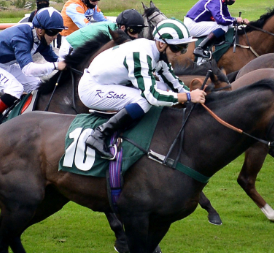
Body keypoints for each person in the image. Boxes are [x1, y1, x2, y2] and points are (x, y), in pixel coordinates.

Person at [80, 19, 205, 159]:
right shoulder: (142, 54)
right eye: (176, 48)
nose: (179, 53)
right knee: (144, 100)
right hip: (92, 88)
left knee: (163, 87)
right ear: (162, 43)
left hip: (109, 82)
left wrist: (191, 96)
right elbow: (153, 96)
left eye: (184, 47)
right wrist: (188, 97)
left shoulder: (157, 52)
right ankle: (99, 135)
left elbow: (174, 84)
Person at [0, 7, 67, 134]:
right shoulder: (21, 37)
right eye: (53, 32)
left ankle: (23, 115)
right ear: (40, 30)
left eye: (58, 32)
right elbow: (28, 69)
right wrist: (56, 66)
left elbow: (55, 58)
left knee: (36, 85)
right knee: (15, 89)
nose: (55, 36)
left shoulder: (40, 37)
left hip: (6, 64)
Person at [184, 0, 249, 51]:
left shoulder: (222, 1)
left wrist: (241, 22)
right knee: (223, 26)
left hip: (197, 23)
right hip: (191, 25)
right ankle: (200, 48)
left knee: (230, 25)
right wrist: (235, 20)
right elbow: (220, 20)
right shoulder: (216, 1)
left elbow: (228, 18)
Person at [58, 8, 146, 59]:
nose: (136, 36)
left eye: (139, 31)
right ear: (122, 27)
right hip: (70, 49)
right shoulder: (108, 34)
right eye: (133, 31)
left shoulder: (113, 28)